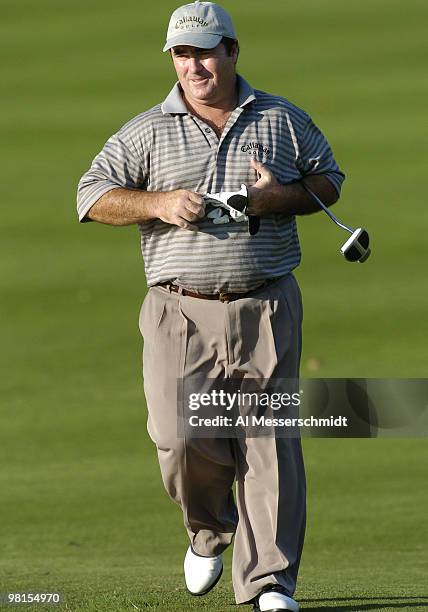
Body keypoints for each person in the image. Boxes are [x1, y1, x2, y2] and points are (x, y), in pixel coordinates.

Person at [76, 2, 345, 610]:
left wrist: (280, 197)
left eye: (205, 51)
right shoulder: (146, 130)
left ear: (232, 50)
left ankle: (270, 581)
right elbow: (90, 196)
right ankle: (208, 531)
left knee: (269, 440)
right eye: (182, 53)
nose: (194, 65)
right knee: (179, 438)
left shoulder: (280, 119)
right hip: (178, 310)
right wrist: (158, 204)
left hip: (267, 304)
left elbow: (328, 180)